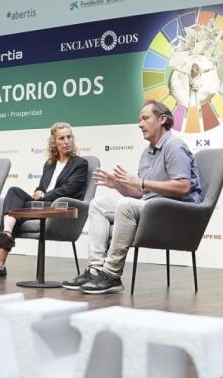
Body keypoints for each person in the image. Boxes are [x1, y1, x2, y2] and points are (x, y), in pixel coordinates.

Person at [63, 100, 202, 294]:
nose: (139, 124)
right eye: (139, 119)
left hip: (176, 211)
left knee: (127, 206)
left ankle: (111, 275)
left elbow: (183, 187)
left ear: (162, 119)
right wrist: (118, 184)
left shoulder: (174, 146)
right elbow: (140, 193)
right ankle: (95, 270)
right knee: (98, 204)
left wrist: (141, 182)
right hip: (153, 205)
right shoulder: (147, 152)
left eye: (145, 118)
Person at [0, 122, 88, 279]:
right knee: (14, 192)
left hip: (62, 207)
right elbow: (41, 187)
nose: (66, 141)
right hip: (43, 205)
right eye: (62, 138)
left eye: (69, 137)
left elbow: (69, 189)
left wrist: (43, 196)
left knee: (17, 210)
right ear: (54, 142)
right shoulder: (49, 164)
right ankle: (7, 231)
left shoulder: (80, 163)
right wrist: (38, 192)